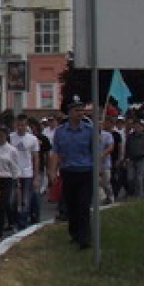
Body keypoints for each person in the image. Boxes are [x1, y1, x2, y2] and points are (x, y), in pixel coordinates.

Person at [49, 102, 95, 250]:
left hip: (85, 171)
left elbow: (95, 151)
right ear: (69, 112)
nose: (80, 113)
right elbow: (56, 152)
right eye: (77, 110)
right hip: (68, 171)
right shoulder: (61, 131)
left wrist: (98, 170)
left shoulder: (89, 130)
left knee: (83, 205)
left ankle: (84, 238)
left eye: (82, 110)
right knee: (71, 205)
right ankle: (74, 233)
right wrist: (52, 171)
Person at [0, 126, 20, 242]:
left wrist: (16, 183)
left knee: (1, 206)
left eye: (2, 135)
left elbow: (15, 168)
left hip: (6, 179)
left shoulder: (12, 150)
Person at [9, 115, 41, 228]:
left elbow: (35, 158)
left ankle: (23, 223)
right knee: (12, 199)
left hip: (27, 172)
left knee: (25, 199)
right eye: (18, 125)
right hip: (13, 173)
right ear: (15, 125)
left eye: (23, 125)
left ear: (26, 125)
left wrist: (36, 176)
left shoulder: (32, 139)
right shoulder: (11, 138)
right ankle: (13, 221)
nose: (20, 127)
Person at [124, 119, 144, 199]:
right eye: (135, 126)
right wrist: (125, 158)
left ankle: (139, 195)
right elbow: (127, 148)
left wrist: (143, 152)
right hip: (131, 159)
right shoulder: (130, 137)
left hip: (141, 159)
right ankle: (132, 192)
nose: (137, 127)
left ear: (142, 128)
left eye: (139, 126)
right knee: (130, 177)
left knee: (139, 177)